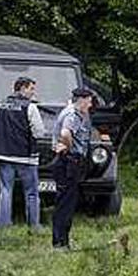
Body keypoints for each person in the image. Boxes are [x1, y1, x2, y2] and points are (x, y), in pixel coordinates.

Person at [0, 77, 44, 229]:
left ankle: (3, 225)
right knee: (31, 192)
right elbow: (39, 132)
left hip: (3, 155)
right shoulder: (30, 107)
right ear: (22, 88)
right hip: (25, 157)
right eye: (31, 89)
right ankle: (34, 225)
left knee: (5, 190)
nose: (33, 92)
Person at [51, 87, 97, 249]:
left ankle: (62, 240)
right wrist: (69, 147)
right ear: (82, 100)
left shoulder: (69, 111)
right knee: (66, 203)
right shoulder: (73, 115)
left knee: (65, 201)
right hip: (69, 162)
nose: (90, 105)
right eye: (89, 101)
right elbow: (65, 133)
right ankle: (60, 242)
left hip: (66, 161)